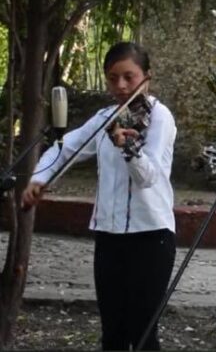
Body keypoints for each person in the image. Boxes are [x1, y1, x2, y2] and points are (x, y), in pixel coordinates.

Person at [23, 42, 177, 351]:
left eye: (129, 77)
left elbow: (149, 178)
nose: (120, 86)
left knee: (143, 332)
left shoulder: (160, 118)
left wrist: (128, 149)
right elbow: (67, 146)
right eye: (112, 78)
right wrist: (38, 178)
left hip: (151, 237)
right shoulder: (107, 117)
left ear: (147, 77)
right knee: (113, 333)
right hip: (109, 235)